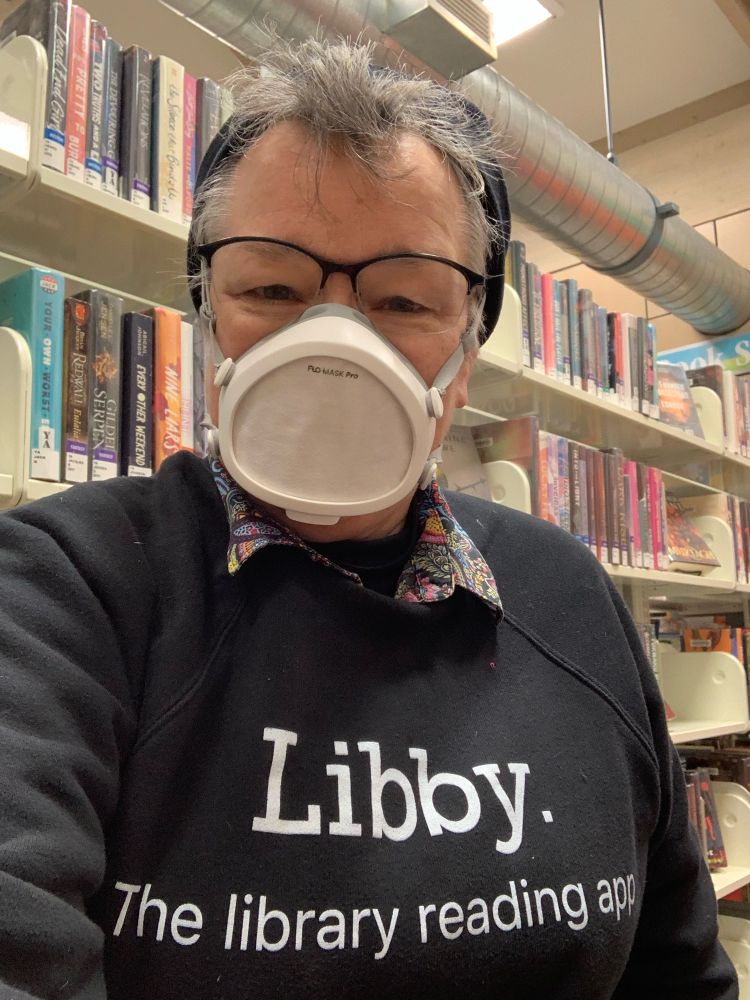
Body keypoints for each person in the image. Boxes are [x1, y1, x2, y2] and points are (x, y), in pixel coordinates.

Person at [0, 35, 737, 1000]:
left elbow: (680, 973)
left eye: (401, 298)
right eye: (272, 287)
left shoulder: (570, 599)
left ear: (465, 355)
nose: (335, 341)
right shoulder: (62, 591)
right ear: (207, 313)